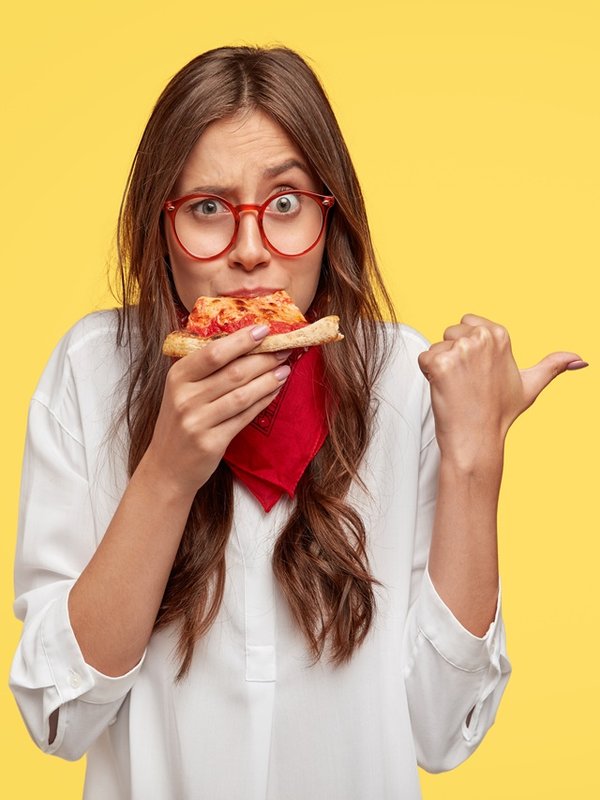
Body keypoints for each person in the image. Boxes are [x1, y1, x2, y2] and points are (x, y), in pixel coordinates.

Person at [9, 46, 587, 800]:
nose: (251, 252)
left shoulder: (405, 379)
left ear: (329, 214)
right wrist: (167, 475)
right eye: (208, 209)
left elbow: (443, 733)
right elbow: (59, 719)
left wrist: (474, 460)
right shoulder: (92, 372)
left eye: (285, 204)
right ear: (161, 224)